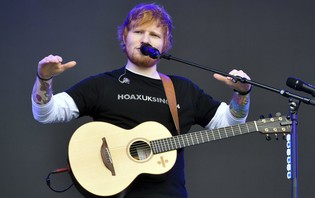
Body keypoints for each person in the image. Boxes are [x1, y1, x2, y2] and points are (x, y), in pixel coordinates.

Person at [32, 3, 251, 198]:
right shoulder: (102, 84)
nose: (145, 39)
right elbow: (46, 113)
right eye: (138, 32)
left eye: (154, 35)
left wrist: (242, 93)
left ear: (164, 45)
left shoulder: (182, 89)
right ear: (125, 36)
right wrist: (45, 78)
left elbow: (230, 123)